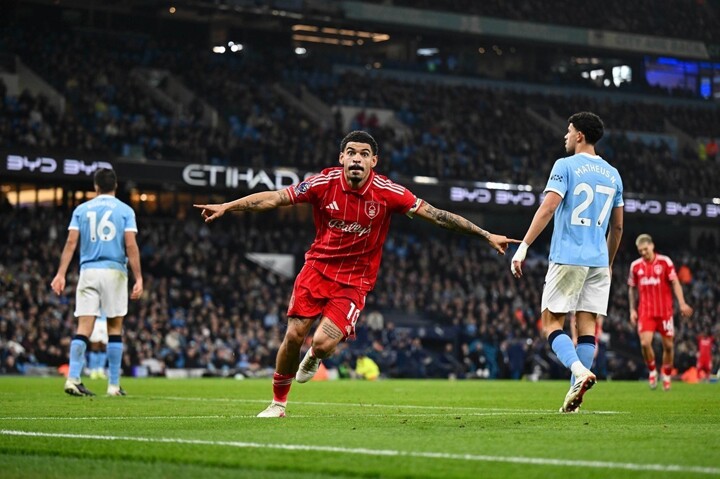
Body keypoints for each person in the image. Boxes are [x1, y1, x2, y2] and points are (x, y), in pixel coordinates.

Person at [194, 130, 519, 417]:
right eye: (351, 152)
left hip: (354, 281)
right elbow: (275, 198)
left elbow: (437, 216)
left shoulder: (388, 192)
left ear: (373, 161)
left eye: (364, 154)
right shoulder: (323, 183)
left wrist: (485, 234)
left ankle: (315, 355)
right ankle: (278, 404)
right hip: (316, 269)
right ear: (341, 158)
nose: (356, 159)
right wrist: (228, 206)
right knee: (293, 335)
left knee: (322, 344)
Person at [511, 112, 624, 413]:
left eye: (569, 130)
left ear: (580, 136)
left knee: (550, 323)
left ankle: (579, 372)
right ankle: (574, 394)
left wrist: (524, 246)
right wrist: (609, 263)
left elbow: (548, 208)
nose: (566, 135)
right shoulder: (614, 174)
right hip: (599, 261)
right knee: (586, 328)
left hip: (569, 256)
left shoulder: (565, 166)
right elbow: (617, 228)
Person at [51, 168, 143, 397]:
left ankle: (73, 378)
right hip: (114, 271)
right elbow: (130, 245)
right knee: (114, 328)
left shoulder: (81, 210)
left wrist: (60, 273)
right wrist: (139, 277)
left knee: (83, 327)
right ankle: (113, 385)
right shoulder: (125, 210)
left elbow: (71, 243)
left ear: (96, 186)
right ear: (116, 186)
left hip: (88, 271)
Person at [628, 234, 693, 391]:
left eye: (645, 249)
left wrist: (682, 303)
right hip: (646, 312)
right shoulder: (635, 266)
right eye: (640, 250)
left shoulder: (665, 262)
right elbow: (632, 288)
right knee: (645, 343)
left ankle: (667, 375)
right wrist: (632, 309)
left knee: (668, 346)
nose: (643, 253)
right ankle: (652, 371)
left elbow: (675, 282)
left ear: (652, 246)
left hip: (664, 312)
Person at [88, 313, 108, 380]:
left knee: (103, 347)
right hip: (96, 320)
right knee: (95, 347)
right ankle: (93, 370)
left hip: (106, 320)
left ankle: (100, 370)